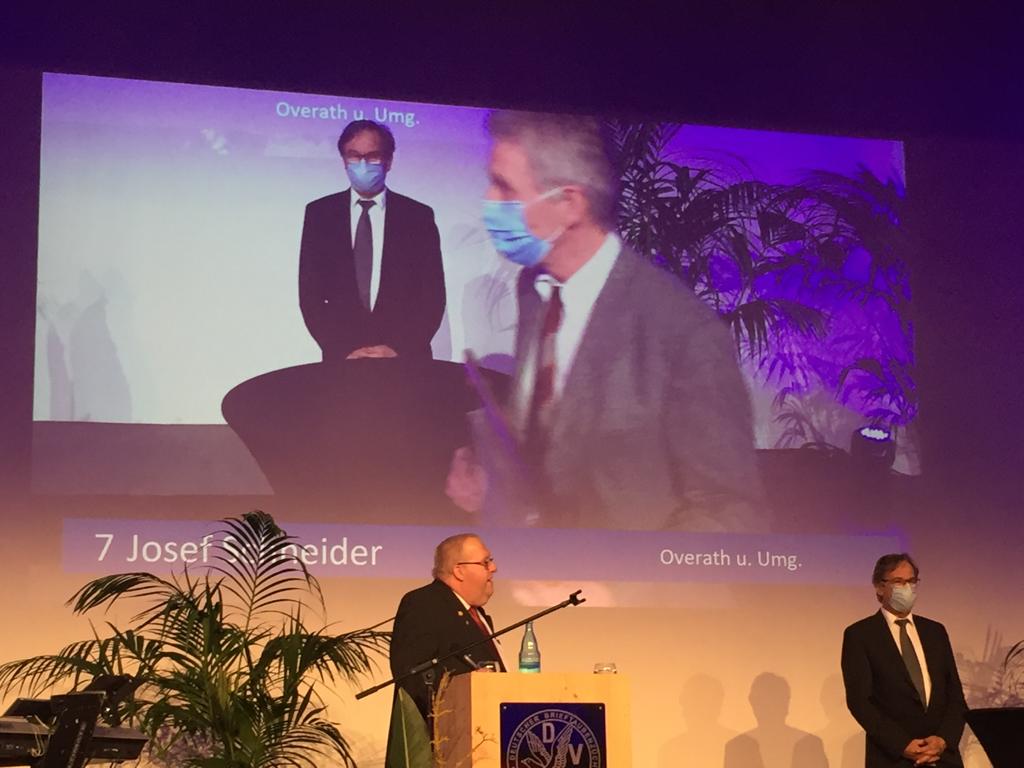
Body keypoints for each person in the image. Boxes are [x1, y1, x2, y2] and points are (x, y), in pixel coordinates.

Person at [451, 110, 766, 531]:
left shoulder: (684, 332)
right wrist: (493, 478)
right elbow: (557, 448)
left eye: (504, 186)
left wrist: (618, 572)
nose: (488, 200)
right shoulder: (534, 288)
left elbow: (729, 513)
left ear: (569, 204)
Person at [298, 119, 446, 361]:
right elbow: (310, 295)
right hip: (343, 361)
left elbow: (432, 296)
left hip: (405, 361)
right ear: (344, 160)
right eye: (354, 156)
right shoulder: (320, 214)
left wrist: (399, 348)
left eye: (373, 156)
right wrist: (342, 349)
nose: (363, 164)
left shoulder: (417, 216)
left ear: (389, 161)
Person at [841, 553, 966, 767]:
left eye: (911, 581)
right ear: (880, 587)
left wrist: (943, 740)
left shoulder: (935, 631)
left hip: (942, 758)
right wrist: (901, 745)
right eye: (898, 582)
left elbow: (955, 695)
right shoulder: (860, 635)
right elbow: (860, 702)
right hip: (893, 759)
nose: (907, 588)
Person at [388, 533, 504, 725]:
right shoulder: (423, 603)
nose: (494, 568)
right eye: (485, 562)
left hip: (486, 729)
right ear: (459, 571)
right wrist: (468, 685)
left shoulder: (476, 613)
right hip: (443, 734)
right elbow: (413, 678)